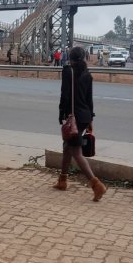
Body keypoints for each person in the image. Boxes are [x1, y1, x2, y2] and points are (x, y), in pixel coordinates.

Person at [54, 47, 106, 201]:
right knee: (67, 147)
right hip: (84, 116)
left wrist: (61, 114)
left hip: (73, 117)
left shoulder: (68, 72)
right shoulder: (87, 75)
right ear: (84, 58)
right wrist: (90, 120)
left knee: (76, 151)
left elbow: (64, 95)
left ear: (70, 57)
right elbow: (89, 100)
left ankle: (96, 185)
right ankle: (62, 181)